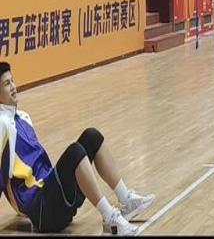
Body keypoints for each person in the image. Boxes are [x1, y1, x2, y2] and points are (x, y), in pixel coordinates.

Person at [0, 62, 154, 235]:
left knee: (91, 136)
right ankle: (109, 218)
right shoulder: (1, 124)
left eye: (12, 81)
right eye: (6, 84)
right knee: (74, 152)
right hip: (42, 211)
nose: (13, 87)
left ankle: (126, 201)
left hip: (52, 196)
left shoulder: (23, 117)